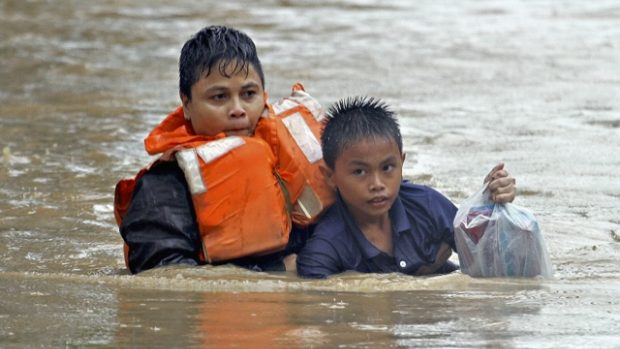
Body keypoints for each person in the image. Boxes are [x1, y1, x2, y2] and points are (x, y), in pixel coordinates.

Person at [113, 25, 332, 274]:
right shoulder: (161, 190)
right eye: (219, 97)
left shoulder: (289, 158)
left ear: (264, 95)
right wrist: (281, 271)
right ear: (186, 104)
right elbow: (163, 281)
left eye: (249, 94)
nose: (237, 109)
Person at [296, 97, 517, 279]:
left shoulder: (427, 206)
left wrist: (489, 206)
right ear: (330, 176)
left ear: (402, 163)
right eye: (359, 172)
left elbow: (493, 262)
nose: (377, 184)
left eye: (387, 168)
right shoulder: (327, 246)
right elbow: (314, 302)